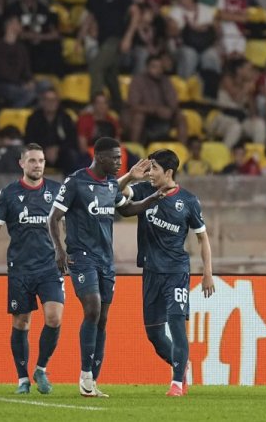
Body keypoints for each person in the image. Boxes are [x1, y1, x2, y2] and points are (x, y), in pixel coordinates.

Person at [48, 138, 167, 398]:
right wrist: (59, 250)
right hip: (81, 257)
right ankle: (85, 375)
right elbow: (53, 217)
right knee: (92, 308)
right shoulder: (75, 181)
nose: (118, 162)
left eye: (119, 158)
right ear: (99, 157)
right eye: (114, 158)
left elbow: (127, 210)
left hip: (105, 260)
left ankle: (92, 380)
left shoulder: (111, 185)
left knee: (102, 318)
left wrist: (153, 198)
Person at [118, 149, 215, 396]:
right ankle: (181, 363)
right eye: (149, 168)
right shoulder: (143, 190)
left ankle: (177, 383)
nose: (150, 173)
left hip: (176, 272)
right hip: (151, 271)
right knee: (154, 334)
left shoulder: (189, 201)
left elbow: (202, 238)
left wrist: (207, 273)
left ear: (168, 172)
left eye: (154, 168)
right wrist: (129, 177)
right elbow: (114, 193)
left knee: (176, 324)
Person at [0, 144, 64, 395]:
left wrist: (67, 250)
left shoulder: (56, 190)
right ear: (22, 163)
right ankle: (22, 379)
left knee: (54, 317)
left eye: (40, 160)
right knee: (21, 322)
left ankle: (41, 368)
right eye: (32, 160)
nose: (37, 165)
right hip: (20, 268)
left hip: (49, 266)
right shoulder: (9, 193)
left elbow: (69, 222)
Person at [77, 0, 139, 112]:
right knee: (110, 76)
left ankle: (95, 104)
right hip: (102, 39)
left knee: (96, 67)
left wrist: (128, 37)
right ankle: (119, 108)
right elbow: (89, 17)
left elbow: (136, 13)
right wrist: (79, 39)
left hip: (116, 38)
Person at [126, 55, 187, 145]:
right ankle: (134, 147)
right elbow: (133, 105)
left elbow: (174, 102)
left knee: (180, 117)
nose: (158, 70)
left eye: (160, 67)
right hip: (146, 115)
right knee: (139, 116)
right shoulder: (138, 81)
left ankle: (182, 148)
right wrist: (155, 110)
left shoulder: (165, 80)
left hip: (164, 116)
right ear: (147, 67)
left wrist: (170, 110)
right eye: (154, 67)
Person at [25, 88, 79, 176]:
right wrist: (44, 150)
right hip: (39, 153)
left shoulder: (65, 118)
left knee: (71, 155)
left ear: (58, 102)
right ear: (42, 102)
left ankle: (70, 183)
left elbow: (72, 140)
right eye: (47, 100)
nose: (50, 103)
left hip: (60, 154)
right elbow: (29, 140)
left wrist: (57, 149)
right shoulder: (34, 118)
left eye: (53, 100)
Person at [0, 16, 34, 108]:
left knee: (45, 86)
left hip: (20, 83)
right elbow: (1, 72)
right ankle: (10, 112)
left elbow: (26, 68)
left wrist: (29, 81)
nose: (20, 26)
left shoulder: (21, 47)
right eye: (17, 23)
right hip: (5, 84)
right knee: (29, 95)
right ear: (9, 25)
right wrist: (21, 84)